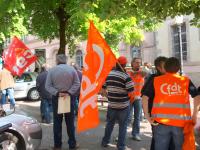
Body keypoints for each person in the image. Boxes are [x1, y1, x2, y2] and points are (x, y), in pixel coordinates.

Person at [142, 57, 200, 150]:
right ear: (178, 68)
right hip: (181, 124)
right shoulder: (185, 80)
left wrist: (147, 116)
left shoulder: (156, 81)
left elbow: (145, 97)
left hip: (160, 123)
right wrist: (194, 115)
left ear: (166, 67)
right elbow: (197, 97)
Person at [45, 54, 80, 150]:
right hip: (69, 97)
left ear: (57, 60)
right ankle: (72, 144)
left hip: (57, 97)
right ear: (66, 60)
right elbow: (77, 83)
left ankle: (57, 145)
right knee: (70, 122)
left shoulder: (52, 70)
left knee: (57, 122)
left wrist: (57, 93)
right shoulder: (72, 69)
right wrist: (69, 92)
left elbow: (47, 86)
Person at [141, 56, 175, 150]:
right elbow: (144, 96)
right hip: (158, 117)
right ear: (159, 68)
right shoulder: (154, 79)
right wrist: (147, 115)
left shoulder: (172, 77)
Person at [101, 56, 134, 150]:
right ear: (124, 65)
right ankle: (121, 146)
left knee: (109, 124)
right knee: (123, 127)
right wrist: (128, 101)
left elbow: (103, 91)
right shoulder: (126, 77)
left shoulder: (108, 74)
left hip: (111, 105)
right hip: (123, 106)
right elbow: (132, 94)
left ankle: (104, 142)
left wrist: (110, 98)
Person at [127, 57, 147, 141]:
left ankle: (135, 134)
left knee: (137, 117)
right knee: (127, 117)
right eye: (136, 62)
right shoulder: (128, 72)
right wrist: (131, 72)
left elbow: (145, 72)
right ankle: (122, 134)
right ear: (132, 63)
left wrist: (144, 68)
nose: (138, 64)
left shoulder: (142, 72)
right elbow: (129, 74)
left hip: (138, 98)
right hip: (128, 97)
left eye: (139, 62)